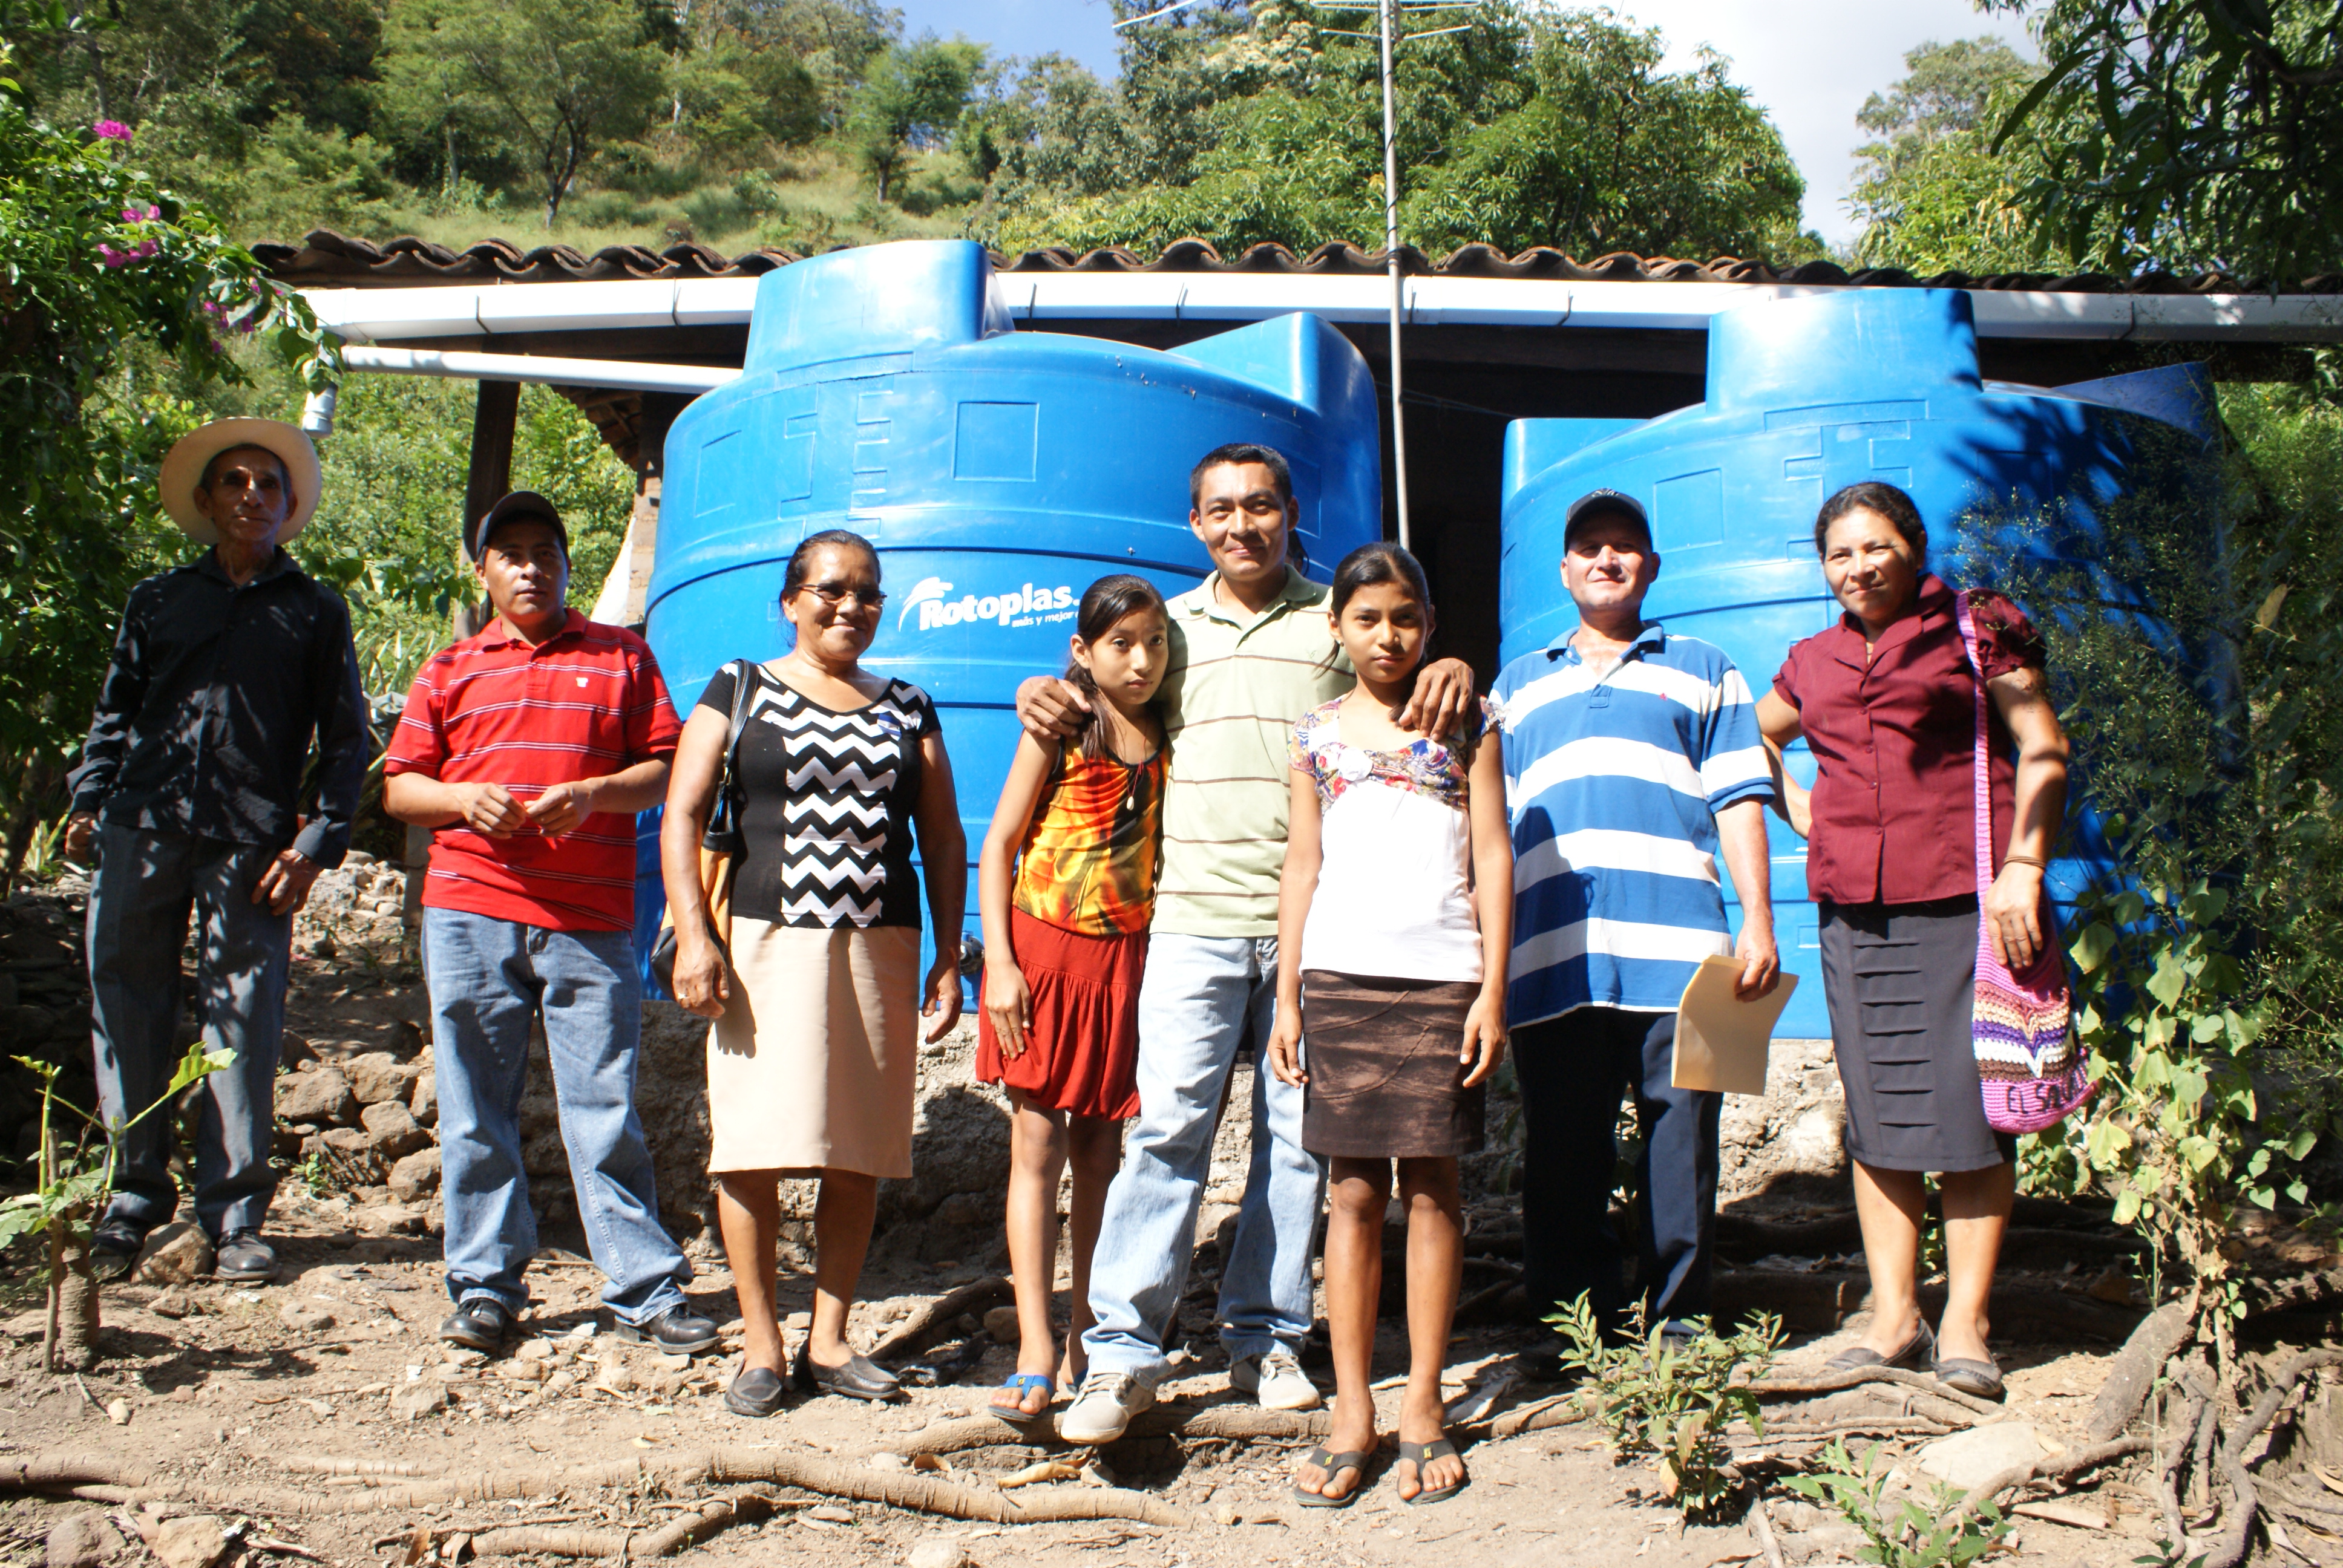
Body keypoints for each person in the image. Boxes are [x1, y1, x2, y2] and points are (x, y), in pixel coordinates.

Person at [1016, 443, 1476, 1445]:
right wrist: (1040, 691)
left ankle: (1264, 1334)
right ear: (1195, 525)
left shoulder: (1333, 617)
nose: (1242, 526)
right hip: (1190, 916)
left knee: (1295, 1143)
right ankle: (1123, 1353)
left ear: (1291, 512)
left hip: (1320, 928)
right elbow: (1095, 685)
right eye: (1220, 510)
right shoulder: (1167, 629)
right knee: (1168, 1128)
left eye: (1260, 506)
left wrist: (1452, 659)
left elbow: (1399, 662)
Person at [1755, 480, 2069, 1401]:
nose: (1858, 567)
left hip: (1972, 897)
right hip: (1857, 907)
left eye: (1874, 547)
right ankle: (1895, 1317)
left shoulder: (1976, 628)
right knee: (1881, 1112)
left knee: (1975, 1115)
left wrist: (2027, 866)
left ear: (1914, 547)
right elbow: (1757, 737)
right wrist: (1798, 805)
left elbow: (2043, 745)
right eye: (1839, 555)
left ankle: (1967, 1322)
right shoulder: (1808, 661)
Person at [384, 491, 715, 1355]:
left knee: (603, 1105)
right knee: (472, 1106)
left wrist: (595, 794)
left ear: (568, 564)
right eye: (511, 553)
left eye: (545, 551)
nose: (530, 566)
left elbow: (667, 769)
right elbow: (399, 789)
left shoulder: (622, 658)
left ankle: (644, 1286)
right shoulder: (449, 668)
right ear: (485, 570)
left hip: (590, 916)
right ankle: (486, 1287)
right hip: (468, 909)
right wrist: (461, 798)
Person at [663, 528, 966, 1418]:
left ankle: (830, 1342)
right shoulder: (740, 685)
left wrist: (950, 954)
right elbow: (681, 815)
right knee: (751, 1147)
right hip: (758, 941)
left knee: (856, 1149)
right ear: (790, 601)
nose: (851, 606)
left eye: (869, 592)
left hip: (877, 945)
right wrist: (693, 938)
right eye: (831, 589)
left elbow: (942, 840)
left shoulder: (910, 705)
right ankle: (763, 1347)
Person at [69, 418, 369, 1287]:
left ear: (287, 507)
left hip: (251, 841)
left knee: (243, 1016)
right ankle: (131, 1200)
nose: (251, 496)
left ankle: (236, 1218)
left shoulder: (313, 610)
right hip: (143, 824)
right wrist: (92, 799)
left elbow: (345, 739)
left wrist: (316, 842)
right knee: (125, 998)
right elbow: (116, 714)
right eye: (234, 482)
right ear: (205, 502)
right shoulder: (159, 600)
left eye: (268, 486)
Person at [1488, 488, 1779, 1363]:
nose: (1608, 560)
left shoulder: (1705, 665)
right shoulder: (1516, 684)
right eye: (1590, 548)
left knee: (1683, 1139)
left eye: (1626, 547)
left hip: (1688, 952)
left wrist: (1758, 922)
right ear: (1566, 570)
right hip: (1553, 954)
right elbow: (1488, 829)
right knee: (1563, 1146)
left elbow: (1739, 798)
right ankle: (1571, 1324)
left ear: (1651, 567)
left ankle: (1682, 1318)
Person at [1267, 543, 1511, 1508]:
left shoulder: (1470, 724)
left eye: (1405, 617)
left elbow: (1493, 854)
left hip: (1445, 977)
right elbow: (1302, 866)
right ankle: (1352, 1409)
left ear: (1431, 625)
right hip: (1339, 980)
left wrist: (1492, 987)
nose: (1388, 635)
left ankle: (1422, 1408)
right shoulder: (1316, 734)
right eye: (1367, 618)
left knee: (1437, 1188)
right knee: (1355, 1194)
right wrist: (1286, 997)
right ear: (1337, 628)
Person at [976, 576, 1170, 1429]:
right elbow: (999, 845)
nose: (1142, 659)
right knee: (1037, 1148)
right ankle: (1034, 1347)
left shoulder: (1169, 729)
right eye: (1120, 644)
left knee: (1101, 1152)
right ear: (1081, 653)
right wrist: (1002, 968)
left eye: (1155, 642)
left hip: (1125, 962)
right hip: (1045, 955)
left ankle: (1091, 1333)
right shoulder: (1063, 723)